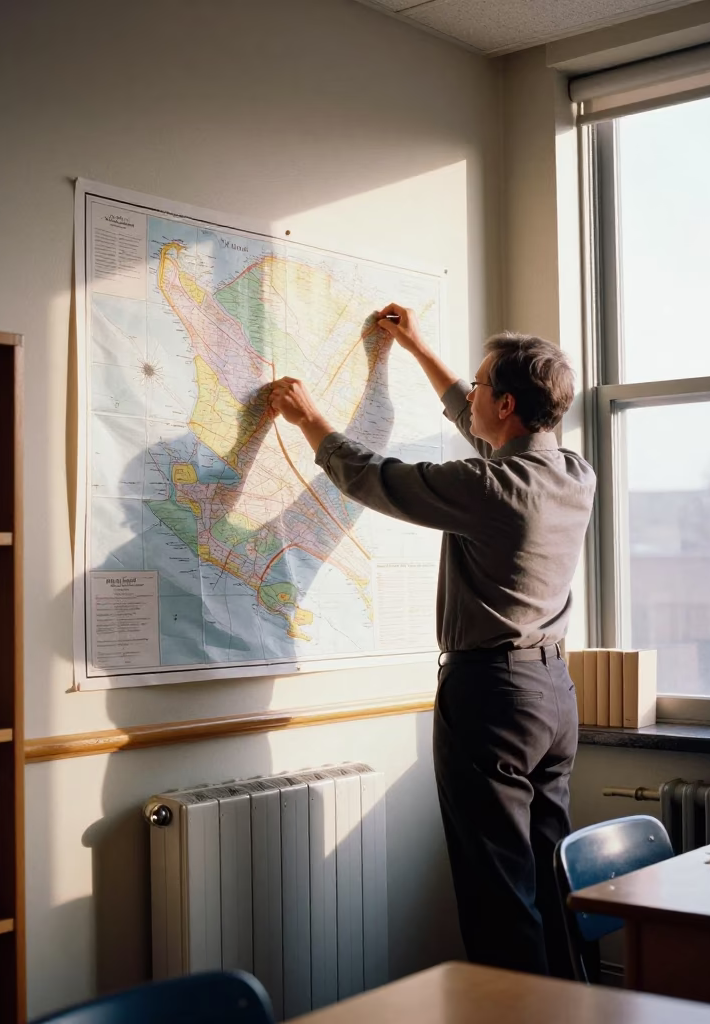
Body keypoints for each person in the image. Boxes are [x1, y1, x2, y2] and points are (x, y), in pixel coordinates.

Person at [268, 302, 595, 977]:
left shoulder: (489, 487)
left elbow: (377, 479)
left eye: (480, 387)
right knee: (548, 879)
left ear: (505, 404)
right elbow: (481, 426)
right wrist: (417, 349)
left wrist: (311, 422)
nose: (469, 396)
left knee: (499, 895)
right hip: (555, 698)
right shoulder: (571, 475)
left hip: (494, 700)